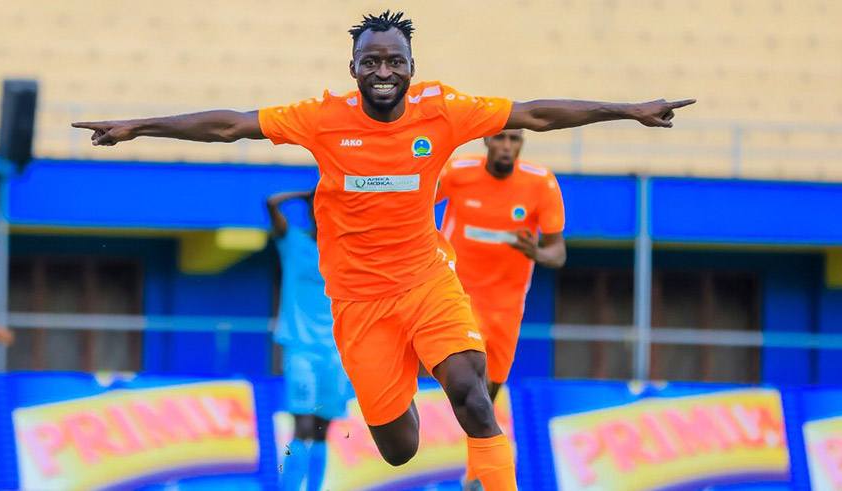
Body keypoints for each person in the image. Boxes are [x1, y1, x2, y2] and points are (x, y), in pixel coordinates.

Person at [72, 10, 694, 489]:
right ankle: (402, 402)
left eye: (395, 62)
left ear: (411, 65)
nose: (384, 74)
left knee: (473, 396)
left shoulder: (443, 110)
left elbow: (534, 113)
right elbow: (231, 125)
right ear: (353, 69)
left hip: (426, 280)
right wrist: (138, 126)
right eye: (371, 63)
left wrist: (630, 110)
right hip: (358, 301)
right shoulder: (321, 118)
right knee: (400, 447)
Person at [437, 130, 566, 489]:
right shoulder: (458, 172)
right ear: (486, 142)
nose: (507, 146)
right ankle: (480, 480)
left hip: (507, 305)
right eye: (501, 139)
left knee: (487, 396)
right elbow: (413, 203)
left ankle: (474, 476)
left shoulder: (541, 183)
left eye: (515, 139)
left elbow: (558, 252)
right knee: (472, 386)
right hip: (457, 294)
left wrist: (538, 252)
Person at [265, 190, 348, 491]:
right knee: (302, 426)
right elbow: (271, 203)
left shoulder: (344, 250)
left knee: (323, 429)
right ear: (312, 213)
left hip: (335, 352)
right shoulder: (293, 242)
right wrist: (306, 195)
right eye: (318, 209)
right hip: (300, 350)